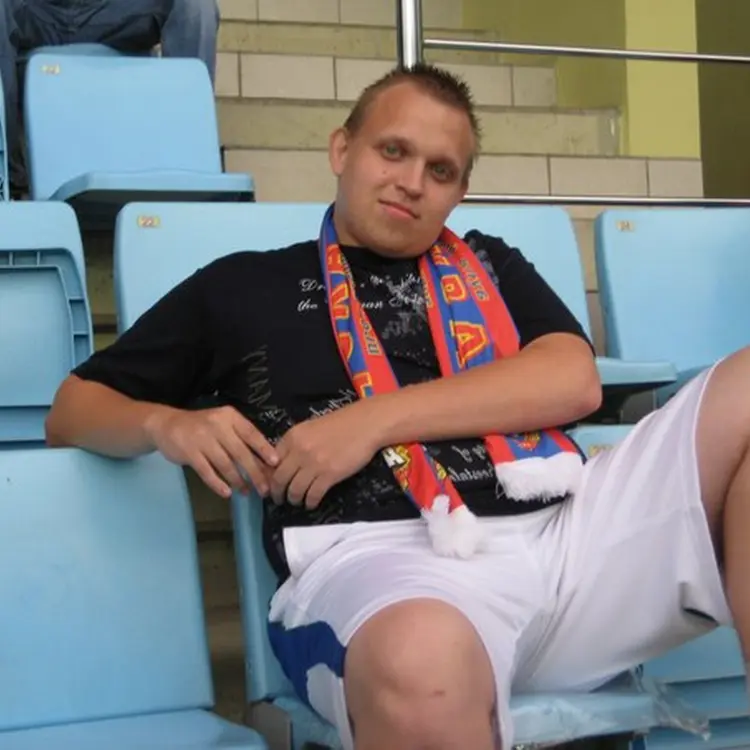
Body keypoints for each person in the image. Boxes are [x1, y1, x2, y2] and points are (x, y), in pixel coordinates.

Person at [45, 63, 750, 750]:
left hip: (567, 537)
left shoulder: (490, 264)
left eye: (440, 170)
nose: (412, 182)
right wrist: (164, 422)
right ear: (341, 150)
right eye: (393, 151)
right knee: (422, 668)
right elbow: (72, 409)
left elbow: (571, 380)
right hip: (382, 562)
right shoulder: (243, 286)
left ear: (459, 192)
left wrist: (369, 420)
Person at [0, 0, 219, 196]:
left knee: (195, 5)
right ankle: (9, 178)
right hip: (40, 12)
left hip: (112, 12)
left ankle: (191, 171)